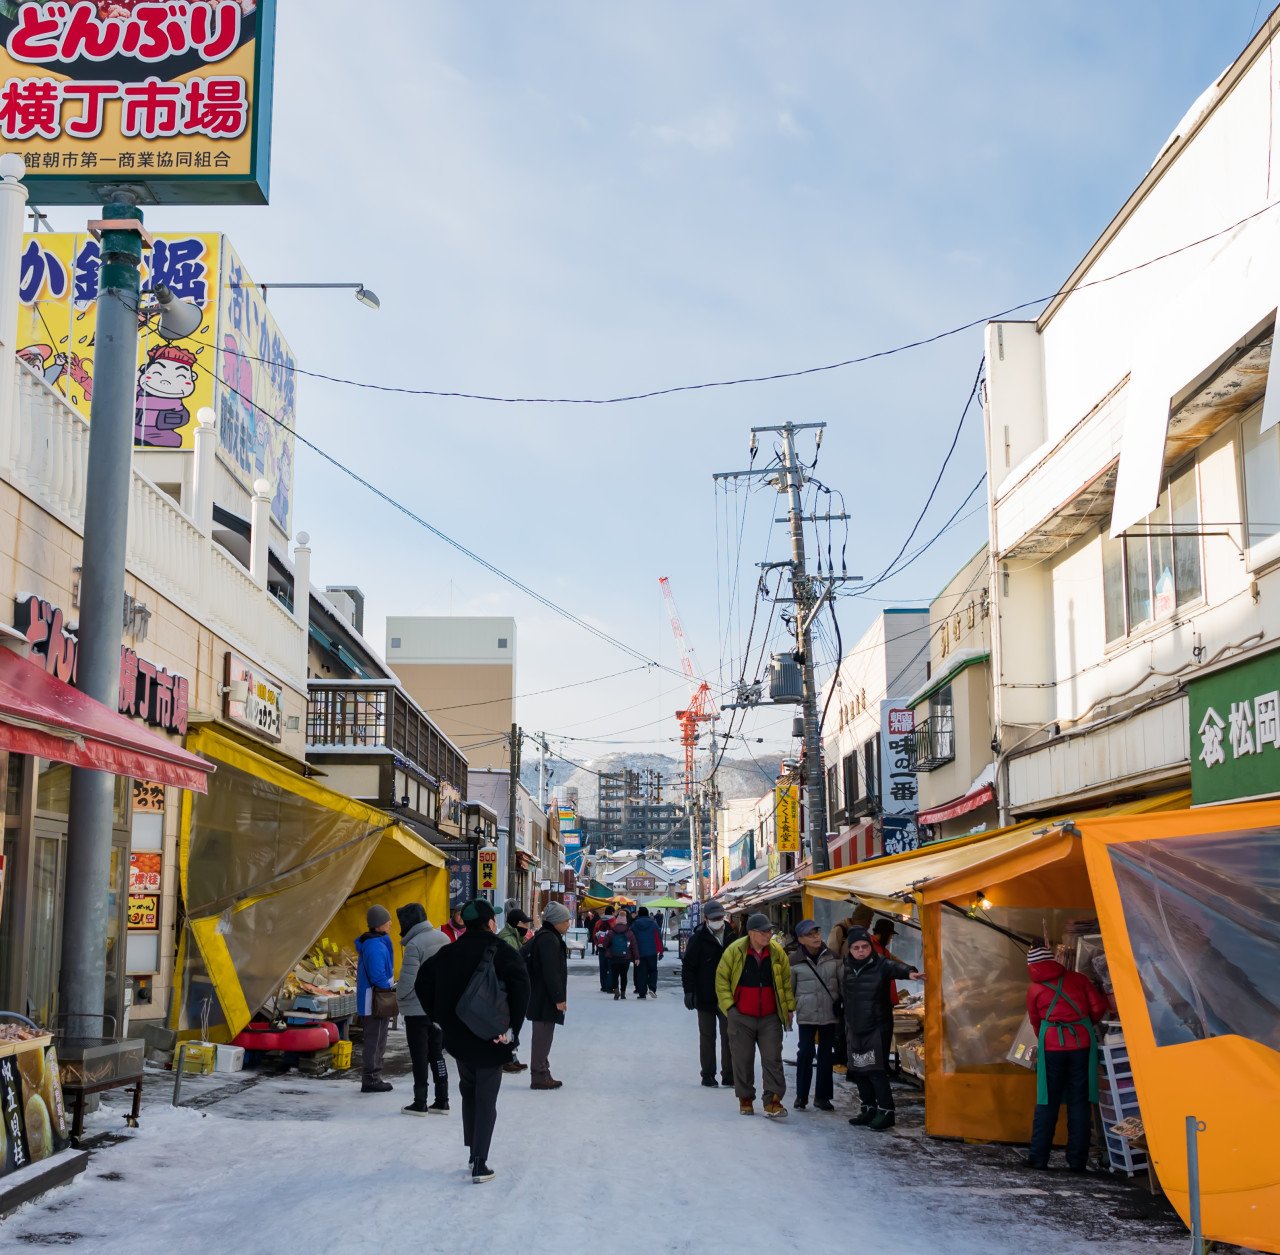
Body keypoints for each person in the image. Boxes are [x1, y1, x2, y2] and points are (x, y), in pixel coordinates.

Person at [416, 899, 530, 1184]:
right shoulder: (503, 951)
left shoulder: (449, 951)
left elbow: (422, 982)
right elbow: (521, 989)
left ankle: (472, 1151)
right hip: (493, 1037)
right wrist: (512, 1028)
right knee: (486, 1097)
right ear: (490, 922)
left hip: (459, 1038)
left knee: (468, 1090)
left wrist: (439, 1016)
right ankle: (480, 1161)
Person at [1025, 944, 1108, 1171]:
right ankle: (1077, 1161)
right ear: (1053, 961)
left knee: (1047, 1100)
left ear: (1031, 965)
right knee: (1079, 1101)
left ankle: (1039, 1158)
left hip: (1051, 1046)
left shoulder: (1034, 989)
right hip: (1081, 1044)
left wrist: (1050, 1034)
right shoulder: (1078, 979)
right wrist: (1082, 1024)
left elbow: (1035, 1021)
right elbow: (1099, 1007)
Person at [715, 912, 796, 1118]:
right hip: (741, 1015)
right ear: (752, 933)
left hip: (770, 1016)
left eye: (770, 930)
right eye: (765, 931)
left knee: (773, 1058)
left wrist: (788, 1008)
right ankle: (745, 1098)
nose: (769, 934)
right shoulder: (734, 951)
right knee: (742, 1058)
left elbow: (786, 983)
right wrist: (730, 1009)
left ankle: (773, 1100)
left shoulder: (777, 952)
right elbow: (722, 981)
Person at [842, 925, 922, 1131]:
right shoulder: (847, 967)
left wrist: (911, 972)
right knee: (858, 1070)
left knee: (875, 1070)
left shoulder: (881, 964)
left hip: (877, 1026)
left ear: (870, 947)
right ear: (850, 950)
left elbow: (898, 968)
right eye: (856, 948)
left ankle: (886, 1112)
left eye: (864, 946)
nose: (861, 951)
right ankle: (868, 1108)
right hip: (854, 1025)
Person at [395, 903, 450, 1115]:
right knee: (437, 1053)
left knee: (419, 1056)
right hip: (438, 1009)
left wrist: (398, 995)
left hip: (417, 1011)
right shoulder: (444, 938)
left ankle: (420, 1101)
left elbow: (408, 982)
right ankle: (443, 1099)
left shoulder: (414, 945)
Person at [682, 900, 735, 1087]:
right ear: (706, 919)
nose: (718, 920)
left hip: (728, 995)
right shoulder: (698, 938)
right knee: (707, 1036)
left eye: (720, 917)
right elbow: (688, 966)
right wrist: (689, 991)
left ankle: (729, 1074)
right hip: (704, 995)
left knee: (729, 1035)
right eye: (714, 918)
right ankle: (708, 1074)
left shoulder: (732, 935)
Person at [790, 919, 841, 1112]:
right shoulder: (794, 961)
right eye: (810, 934)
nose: (816, 937)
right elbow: (790, 989)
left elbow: (840, 982)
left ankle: (823, 1097)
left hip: (829, 1012)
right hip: (807, 1013)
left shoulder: (832, 957)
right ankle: (801, 1096)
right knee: (805, 1052)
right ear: (801, 939)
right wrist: (790, 1009)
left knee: (826, 1055)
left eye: (817, 933)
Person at [526, 902, 571, 1090]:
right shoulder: (548, 940)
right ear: (556, 921)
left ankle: (543, 1071)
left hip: (542, 995)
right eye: (566, 920)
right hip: (543, 997)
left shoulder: (547, 937)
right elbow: (551, 972)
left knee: (544, 1035)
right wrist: (559, 998)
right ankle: (539, 1074)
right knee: (542, 1036)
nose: (569, 923)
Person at [355, 905, 396, 1094]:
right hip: (374, 999)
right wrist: (389, 987)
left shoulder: (378, 941)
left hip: (376, 998)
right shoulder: (374, 945)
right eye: (387, 920)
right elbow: (377, 974)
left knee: (378, 1037)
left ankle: (374, 1076)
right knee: (375, 1039)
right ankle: (371, 1078)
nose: (390, 923)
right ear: (378, 924)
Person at [630, 906, 664, 999]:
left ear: (639, 914)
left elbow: (631, 939)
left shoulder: (634, 925)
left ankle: (642, 993)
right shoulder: (653, 924)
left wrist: (632, 952)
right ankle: (652, 988)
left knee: (641, 973)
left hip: (639, 953)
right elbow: (658, 938)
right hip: (652, 952)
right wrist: (660, 951)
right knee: (653, 971)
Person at [604, 910, 638, 999]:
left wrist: (609, 949)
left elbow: (605, 944)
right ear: (625, 921)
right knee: (624, 976)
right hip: (625, 958)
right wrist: (636, 957)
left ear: (617, 920)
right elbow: (634, 946)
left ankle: (616, 992)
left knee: (614, 975)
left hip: (613, 957)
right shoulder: (629, 932)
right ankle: (623, 993)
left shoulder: (611, 932)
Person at [594, 912, 615, 992]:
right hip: (610, 948)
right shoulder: (613, 921)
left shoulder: (598, 922)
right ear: (612, 912)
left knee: (602, 968)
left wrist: (597, 945)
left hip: (601, 948)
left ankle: (603, 986)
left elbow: (594, 935)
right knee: (610, 968)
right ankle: (609, 986)